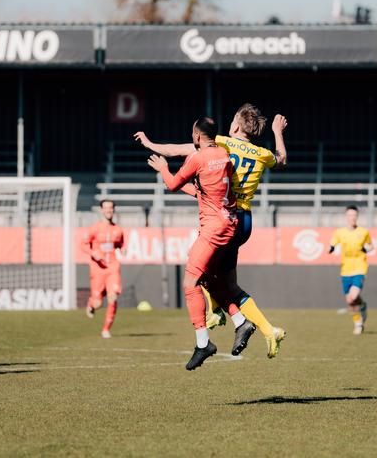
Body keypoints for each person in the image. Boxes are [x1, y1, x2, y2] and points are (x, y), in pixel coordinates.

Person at [135, 103, 288, 358]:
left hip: (225, 216)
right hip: (244, 219)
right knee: (217, 278)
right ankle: (229, 316)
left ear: (236, 126)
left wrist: (151, 145)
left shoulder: (221, 144)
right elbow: (281, 160)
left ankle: (242, 321)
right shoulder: (262, 153)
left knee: (210, 278)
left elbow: (178, 150)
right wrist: (277, 131)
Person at [146, 117, 253, 370]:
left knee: (189, 282)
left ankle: (203, 343)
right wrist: (178, 181)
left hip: (214, 227)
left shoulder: (198, 157)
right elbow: (203, 191)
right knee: (207, 279)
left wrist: (163, 168)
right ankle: (240, 322)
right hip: (230, 224)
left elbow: (172, 185)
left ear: (196, 136)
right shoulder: (223, 154)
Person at [328, 205, 374, 335]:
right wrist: (330, 249)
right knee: (350, 300)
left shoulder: (364, 232)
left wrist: (367, 249)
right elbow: (332, 244)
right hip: (345, 269)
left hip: (360, 267)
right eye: (349, 215)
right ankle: (359, 319)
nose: (352, 218)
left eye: (354, 215)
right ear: (346, 217)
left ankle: (359, 323)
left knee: (353, 295)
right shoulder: (339, 232)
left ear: (357, 217)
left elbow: (371, 246)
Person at [83, 199, 125, 338]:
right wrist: (92, 253)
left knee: (112, 297)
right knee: (98, 303)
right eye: (106, 208)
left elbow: (121, 244)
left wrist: (123, 250)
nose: (109, 210)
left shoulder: (118, 229)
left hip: (112, 267)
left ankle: (106, 329)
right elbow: (83, 244)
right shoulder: (94, 228)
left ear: (114, 210)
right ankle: (91, 304)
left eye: (111, 208)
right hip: (98, 269)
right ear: (101, 210)